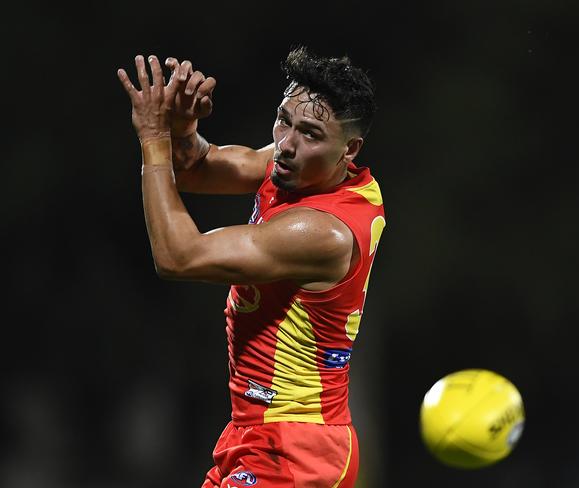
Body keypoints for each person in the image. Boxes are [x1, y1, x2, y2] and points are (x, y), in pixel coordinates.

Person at [117, 46, 386, 488]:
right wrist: (184, 126)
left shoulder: (323, 230)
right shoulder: (300, 168)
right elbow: (195, 169)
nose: (286, 144)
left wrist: (153, 137)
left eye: (311, 134)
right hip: (259, 431)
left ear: (350, 149)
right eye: (283, 120)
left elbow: (178, 256)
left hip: (296, 448)